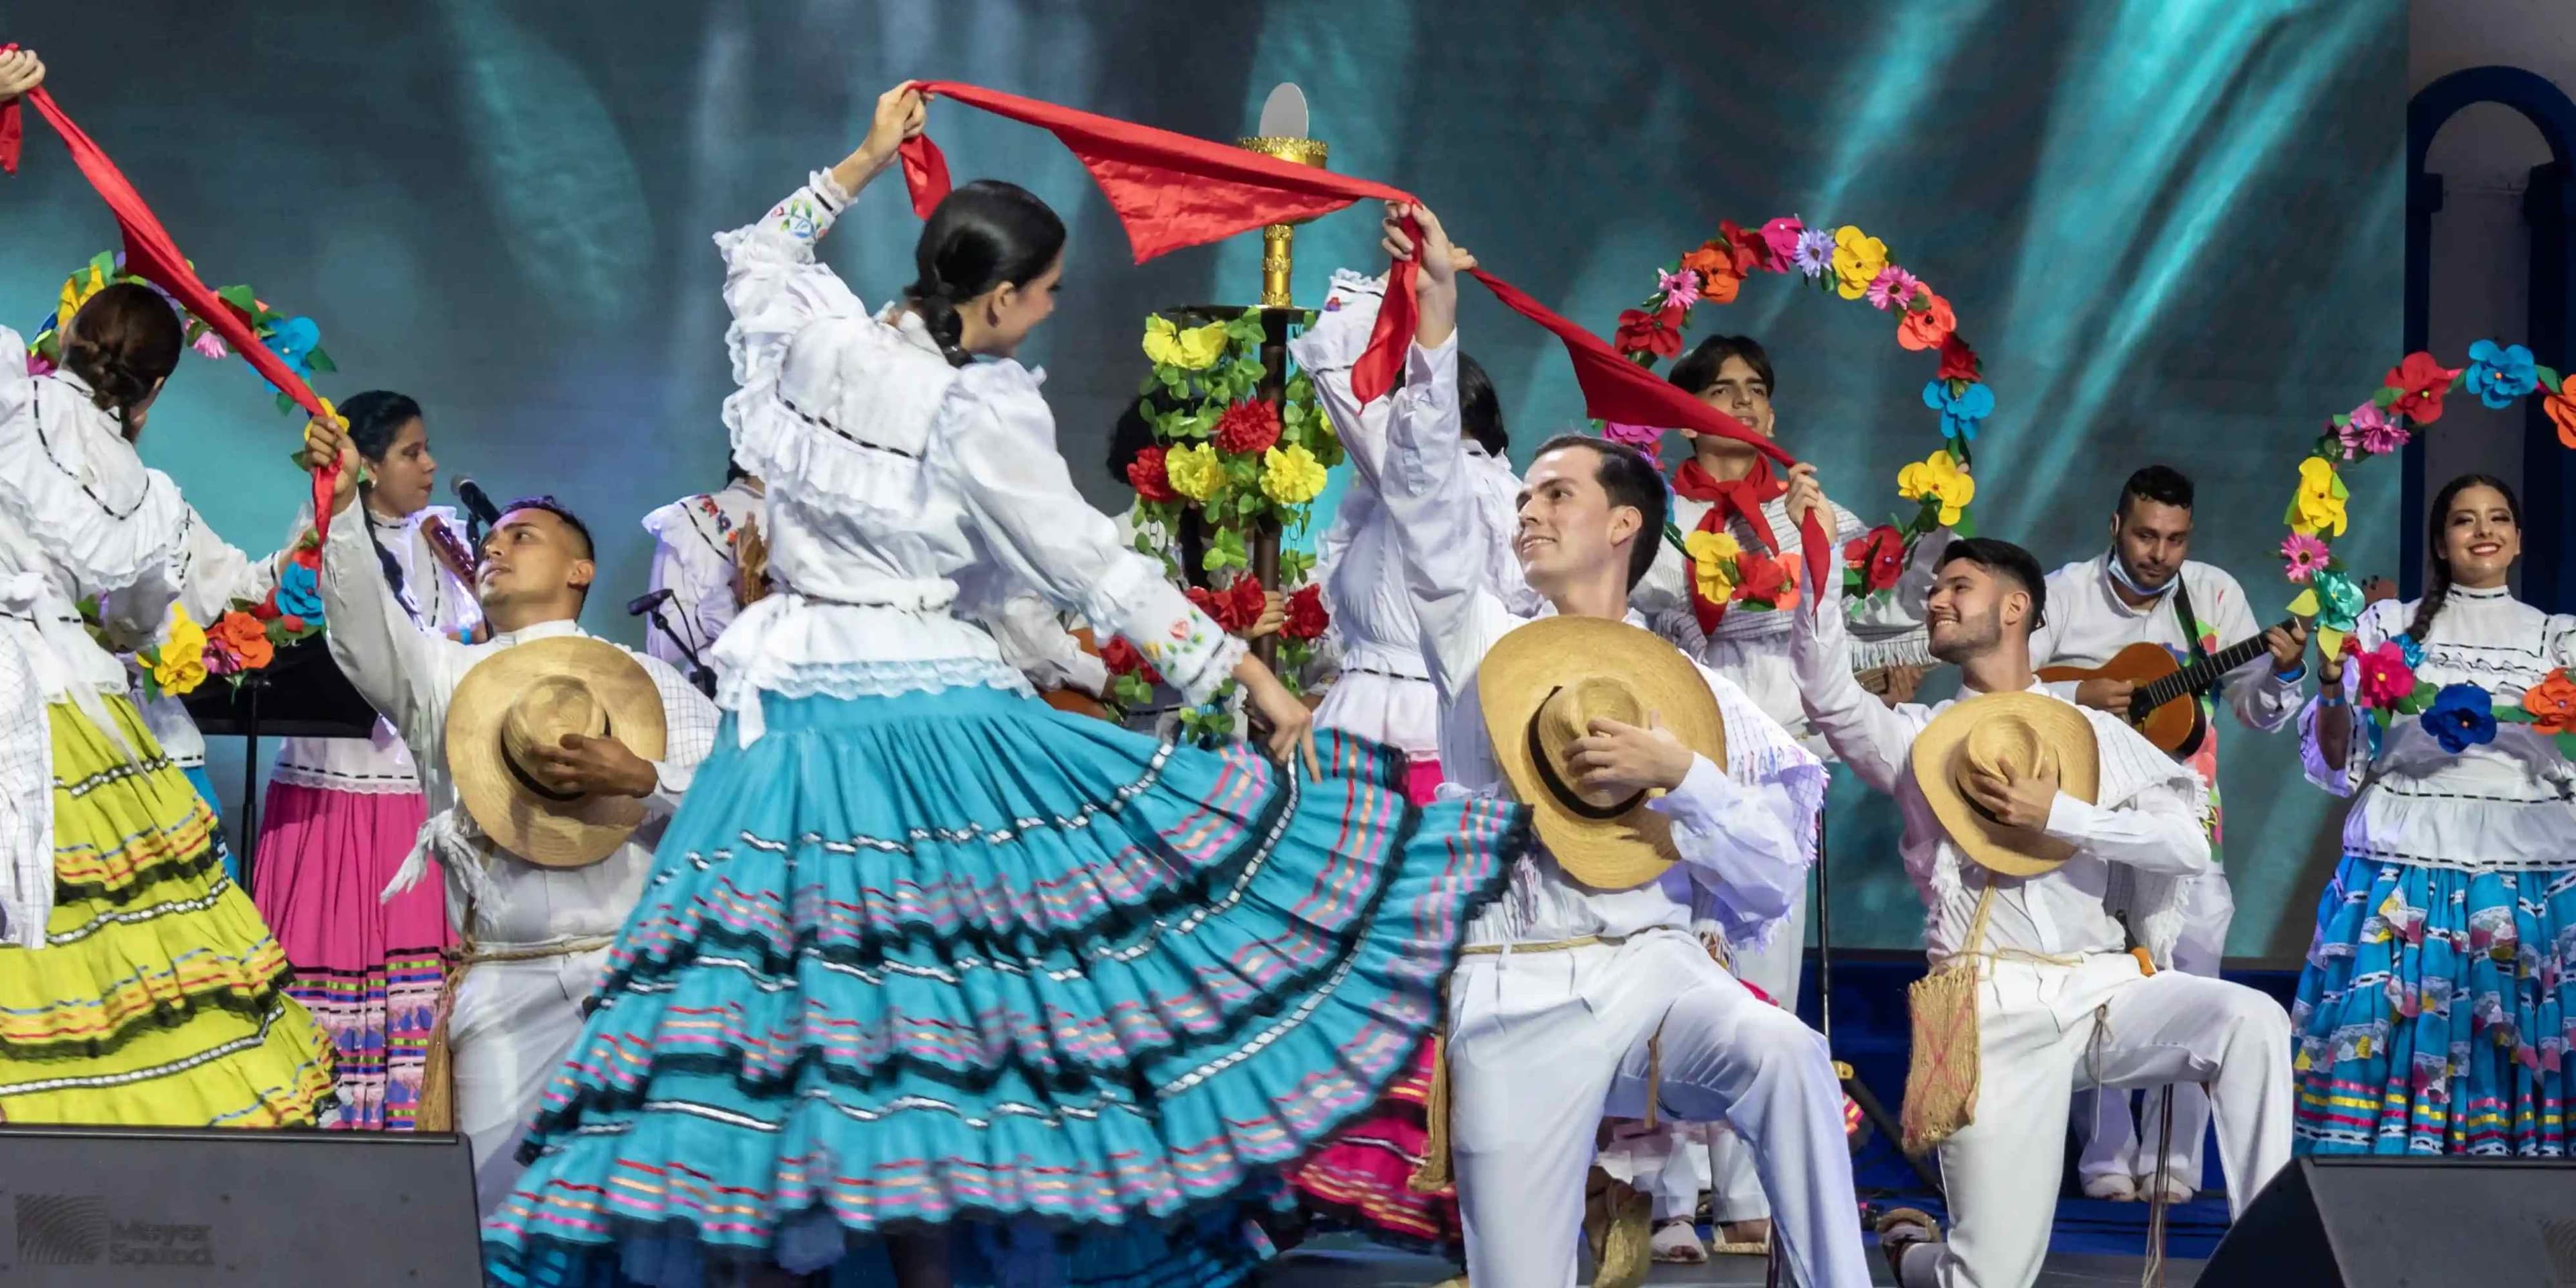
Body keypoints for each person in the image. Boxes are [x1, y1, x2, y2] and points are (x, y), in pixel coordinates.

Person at [476, 85, 1527, 1288]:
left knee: (796, 1034)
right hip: (917, 728)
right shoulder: (972, 408)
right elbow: (1090, 563)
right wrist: (1248, 674)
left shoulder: (814, 343)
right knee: (961, 1028)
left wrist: (862, 160)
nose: (1051, 310)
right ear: (996, 298)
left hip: (788, 733)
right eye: (1048, 291)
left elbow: (765, 253)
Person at [1354, 202, 1868, 1288]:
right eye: (1525, 496)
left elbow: (1772, 876)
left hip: (1655, 972)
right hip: (1516, 989)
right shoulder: (1483, 641)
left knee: (1788, 1052)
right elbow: (1428, 501)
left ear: (1625, 524)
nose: (1527, 514)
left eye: (1556, 495)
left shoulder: (1699, 697)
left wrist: (1682, 778)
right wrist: (1436, 315)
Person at [1786, 495, 2294, 1288]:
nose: (1937, 600)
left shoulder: (2095, 731)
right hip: (1990, 1009)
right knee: (1989, 1279)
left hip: (2104, 990)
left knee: (2251, 1021)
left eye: (1958, 586)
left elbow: (2185, 845)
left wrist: (2060, 815)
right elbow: (1828, 693)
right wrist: (1816, 561)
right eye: (1935, 589)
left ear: (2015, 607)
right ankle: (1915, 1255)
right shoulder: (1919, 739)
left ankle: (2274, 1263)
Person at [303, 409, 718, 1210]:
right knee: (496, 1217)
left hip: (631, 982)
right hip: (501, 987)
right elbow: (360, 629)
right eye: (492, 540)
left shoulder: (650, 683)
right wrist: (344, 503)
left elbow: (736, 807)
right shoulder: (445, 678)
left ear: (580, 570)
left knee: (635, 1215)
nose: (494, 548)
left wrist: (645, 776)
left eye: (522, 537)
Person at [1627, 331, 1943, 1260]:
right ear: (1685, 415)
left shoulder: (1816, 512)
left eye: (1756, 388)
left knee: (1764, 978)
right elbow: (1641, 606)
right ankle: (1667, 1195)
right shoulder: (1658, 513)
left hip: (1780, 761)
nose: (1744, 403)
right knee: (1677, 963)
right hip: (1682, 746)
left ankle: (1746, 1191)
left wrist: (1828, 548)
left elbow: (1871, 619)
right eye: (1722, 389)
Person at [0, 260, 334, 1120]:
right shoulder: (149, 499)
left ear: (66, 341)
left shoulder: (8, 399)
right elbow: (160, 619)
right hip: (77, 702)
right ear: (152, 389)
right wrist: (321, 514)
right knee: (104, 934)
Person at [1278, 268, 1537, 1267]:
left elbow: (1353, 397)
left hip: (1425, 728)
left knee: (1417, 961)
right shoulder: (1377, 498)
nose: (1379, 411)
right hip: (1353, 723)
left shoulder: (1461, 485)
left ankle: (1447, 1182)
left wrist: (1369, 315)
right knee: (1333, 954)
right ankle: (1327, 1171)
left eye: (1403, 396)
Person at [2027, 464, 2307, 1201]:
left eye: (2176, 539)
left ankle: (2175, 1158)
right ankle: (2104, 1153)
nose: (2159, 553)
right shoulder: (2063, 592)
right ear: (2115, 527)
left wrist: (2284, 674)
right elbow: (2009, 684)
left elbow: (2254, 710)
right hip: (2086, 813)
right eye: (2146, 535)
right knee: (2094, 970)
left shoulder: (2214, 596)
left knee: (2196, 969)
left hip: (2185, 813)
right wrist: (2079, 691)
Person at [2293, 474, 2575, 1157]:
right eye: (2464, 519)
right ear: (2442, 543)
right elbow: (2340, 754)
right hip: (2405, 859)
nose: (2483, 531)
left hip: (2525, 866)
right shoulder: (2387, 628)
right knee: (2388, 1026)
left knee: (2510, 1033)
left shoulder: (2556, 638)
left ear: (2518, 539)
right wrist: (2329, 681)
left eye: (2498, 518)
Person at [252, 390, 480, 1133]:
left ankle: (414, 1122)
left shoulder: (446, 540)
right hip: (332, 787)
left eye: (427, 448)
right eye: (413, 452)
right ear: (368, 467)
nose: (431, 464)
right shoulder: (320, 533)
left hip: (416, 788)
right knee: (331, 952)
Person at [640, 455, 765, 683]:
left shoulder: (817, 528)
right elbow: (660, 646)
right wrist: (732, 597)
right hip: (724, 689)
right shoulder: (692, 519)